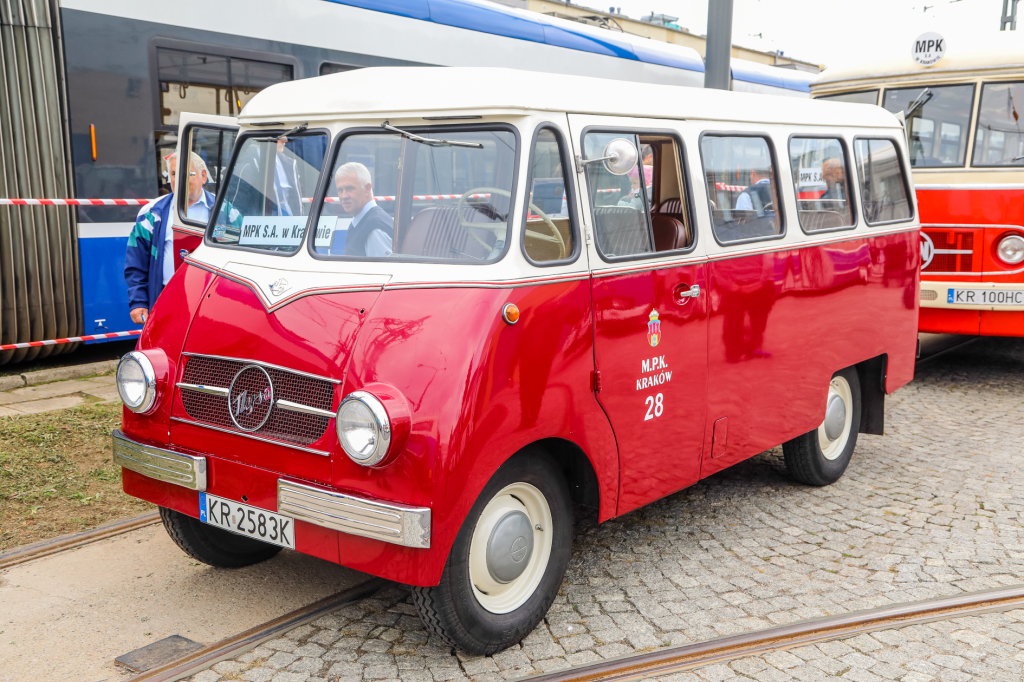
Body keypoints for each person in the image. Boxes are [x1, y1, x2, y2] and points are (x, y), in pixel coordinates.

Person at [125, 152, 214, 324]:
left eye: (188, 173)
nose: (179, 178)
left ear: (203, 176)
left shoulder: (225, 213)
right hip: (166, 297)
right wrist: (138, 302)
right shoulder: (151, 213)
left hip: (211, 300)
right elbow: (136, 262)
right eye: (174, 174)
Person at [329, 162, 394, 257]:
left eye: (349, 188)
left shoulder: (374, 228)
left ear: (367, 189)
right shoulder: (364, 221)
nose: (344, 196)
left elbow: (381, 270)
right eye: (340, 190)